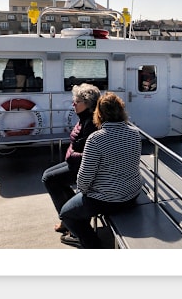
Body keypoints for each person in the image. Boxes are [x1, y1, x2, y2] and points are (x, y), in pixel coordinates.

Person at [59, 92, 143, 248]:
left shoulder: (96, 139)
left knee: (66, 215)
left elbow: (84, 178)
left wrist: (82, 192)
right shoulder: (134, 134)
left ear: (99, 114)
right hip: (132, 193)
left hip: (106, 200)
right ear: (122, 111)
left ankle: (92, 244)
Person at [42, 83, 101, 234]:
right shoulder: (84, 118)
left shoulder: (92, 123)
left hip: (85, 167)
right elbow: (76, 144)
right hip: (75, 162)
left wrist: (71, 152)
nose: (73, 104)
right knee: (49, 176)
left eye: (77, 101)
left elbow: (88, 155)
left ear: (87, 104)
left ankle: (72, 221)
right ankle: (69, 216)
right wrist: (72, 151)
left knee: (50, 179)